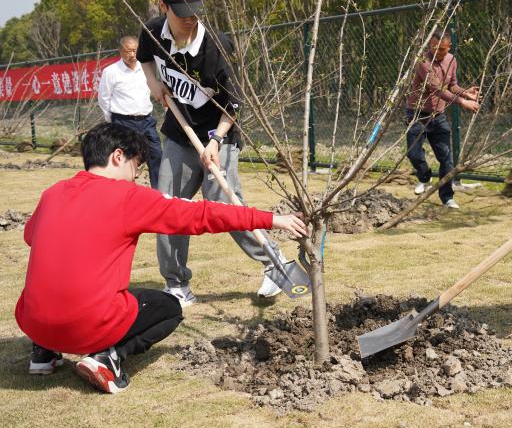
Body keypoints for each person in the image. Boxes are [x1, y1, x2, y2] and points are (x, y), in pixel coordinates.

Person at [15, 123, 306, 394]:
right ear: (118, 156)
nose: (136, 175)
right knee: (168, 307)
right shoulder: (129, 197)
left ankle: (43, 352)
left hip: (33, 321)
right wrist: (272, 219)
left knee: (55, 288)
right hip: (87, 326)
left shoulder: (52, 193)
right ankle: (108, 357)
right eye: (136, 165)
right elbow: (201, 214)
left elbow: (31, 237)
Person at [137, 0, 285, 306]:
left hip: (220, 133)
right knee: (168, 208)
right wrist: (153, 83)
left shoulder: (216, 46)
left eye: (195, 11)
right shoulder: (153, 32)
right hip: (179, 134)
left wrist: (216, 140)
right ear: (163, 6)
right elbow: (145, 58)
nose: (190, 18)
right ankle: (177, 284)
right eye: (182, 12)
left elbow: (235, 103)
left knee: (224, 204)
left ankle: (273, 262)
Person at [405, 31, 480, 209]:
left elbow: (451, 85)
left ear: (449, 47)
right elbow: (437, 89)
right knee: (413, 153)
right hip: (417, 114)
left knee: (446, 158)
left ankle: (447, 197)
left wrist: (466, 92)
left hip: (438, 116)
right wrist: (463, 102)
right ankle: (424, 177)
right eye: (434, 48)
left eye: (442, 50)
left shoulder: (451, 60)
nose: (437, 52)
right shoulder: (423, 62)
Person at [98, 35, 163, 189]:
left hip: (146, 121)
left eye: (135, 50)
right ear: (120, 52)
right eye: (128, 51)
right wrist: (112, 121)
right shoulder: (111, 71)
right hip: (123, 122)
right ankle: (126, 191)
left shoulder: (146, 68)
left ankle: (158, 192)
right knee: (126, 159)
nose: (132, 55)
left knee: (156, 155)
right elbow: (104, 98)